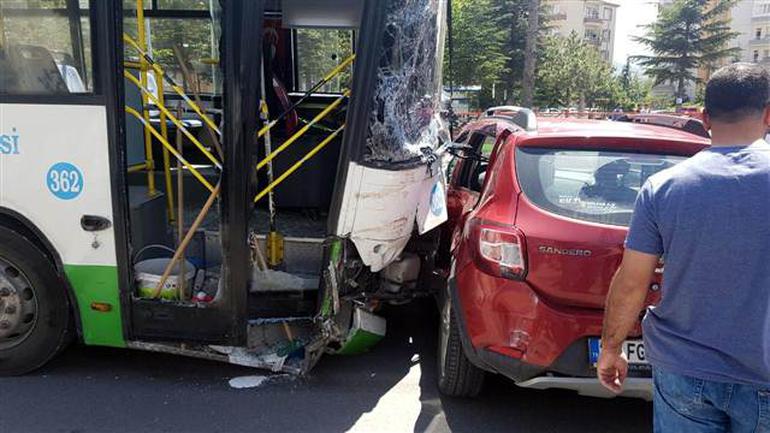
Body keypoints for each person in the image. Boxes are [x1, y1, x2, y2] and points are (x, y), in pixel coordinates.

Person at [597, 62, 770, 433]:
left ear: (705, 118)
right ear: (768, 114)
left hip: (684, 371)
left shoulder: (663, 187)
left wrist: (611, 350)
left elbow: (631, 283)